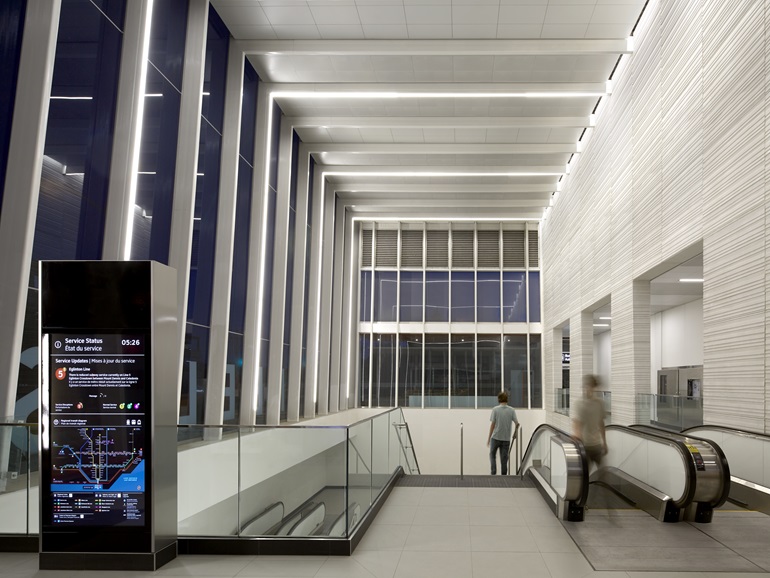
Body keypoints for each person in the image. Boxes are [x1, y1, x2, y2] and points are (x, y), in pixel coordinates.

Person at [572, 375, 607, 467]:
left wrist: (604, 442)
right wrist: (577, 436)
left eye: (592, 386)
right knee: (585, 474)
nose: (589, 388)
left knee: (602, 472)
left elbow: (601, 424)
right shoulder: (579, 404)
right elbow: (576, 423)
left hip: (597, 445)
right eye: (587, 386)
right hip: (584, 446)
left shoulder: (599, 403)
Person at [487, 391, 519, 475]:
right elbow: (517, 423)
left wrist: (489, 439)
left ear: (499, 399)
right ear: (507, 399)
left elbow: (492, 425)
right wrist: (515, 434)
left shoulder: (495, 409)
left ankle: (493, 473)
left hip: (496, 437)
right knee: (504, 459)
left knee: (492, 455)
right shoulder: (511, 410)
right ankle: (504, 475)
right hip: (506, 438)